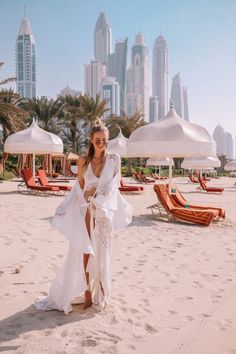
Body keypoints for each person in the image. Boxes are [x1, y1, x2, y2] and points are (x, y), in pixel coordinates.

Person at [35, 120, 132, 314]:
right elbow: (78, 188)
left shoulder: (114, 159)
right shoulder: (83, 161)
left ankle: (102, 294)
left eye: (104, 140)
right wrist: (64, 207)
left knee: (103, 254)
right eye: (98, 140)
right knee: (85, 252)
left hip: (103, 212)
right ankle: (87, 292)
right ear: (90, 140)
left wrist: (100, 200)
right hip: (85, 211)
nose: (102, 143)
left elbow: (114, 187)